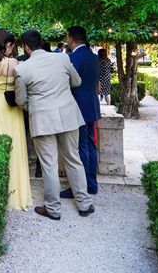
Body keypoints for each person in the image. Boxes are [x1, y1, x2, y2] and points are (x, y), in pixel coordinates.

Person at [14, 29, 94, 220]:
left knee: (49, 164)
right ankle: (84, 203)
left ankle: (53, 209)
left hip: (42, 120)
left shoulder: (22, 69)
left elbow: (20, 100)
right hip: (68, 115)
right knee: (74, 159)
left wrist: (35, 107)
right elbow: (77, 81)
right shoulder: (62, 59)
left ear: (26, 47)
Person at [0, 29, 33, 211]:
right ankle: (15, 193)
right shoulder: (13, 62)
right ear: (8, 45)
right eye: (12, 45)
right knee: (15, 148)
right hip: (11, 108)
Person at [63, 25, 101, 198]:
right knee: (91, 146)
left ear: (71, 38)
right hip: (92, 105)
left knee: (80, 147)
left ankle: (80, 186)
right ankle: (92, 183)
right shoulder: (93, 57)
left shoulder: (73, 58)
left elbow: (70, 82)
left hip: (78, 106)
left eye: (67, 37)